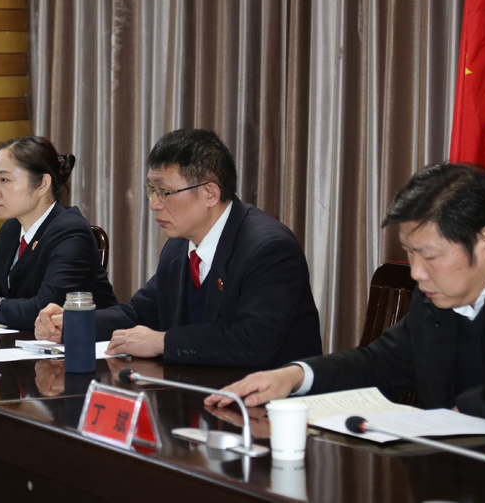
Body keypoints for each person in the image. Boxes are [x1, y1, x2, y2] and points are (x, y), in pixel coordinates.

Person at [207, 163, 485, 445]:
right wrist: (294, 376)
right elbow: (383, 363)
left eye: (429, 256)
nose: (417, 272)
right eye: (410, 253)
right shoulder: (439, 286)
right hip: (460, 465)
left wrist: (462, 407)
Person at [35, 128, 323, 370]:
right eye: (151, 190)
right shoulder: (178, 245)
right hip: (199, 390)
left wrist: (163, 342)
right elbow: (141, 313)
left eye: (165, 192)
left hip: (273, 406)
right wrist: (75, 322)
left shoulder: (268, 248)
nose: (154, 204)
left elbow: (252, 343)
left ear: (210, 193)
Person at [0, 136, 117, 328]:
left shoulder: (72, 233)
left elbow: (44, 310)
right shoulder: (12, 229)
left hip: (83, 342)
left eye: (4, 180)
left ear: (42, 184)